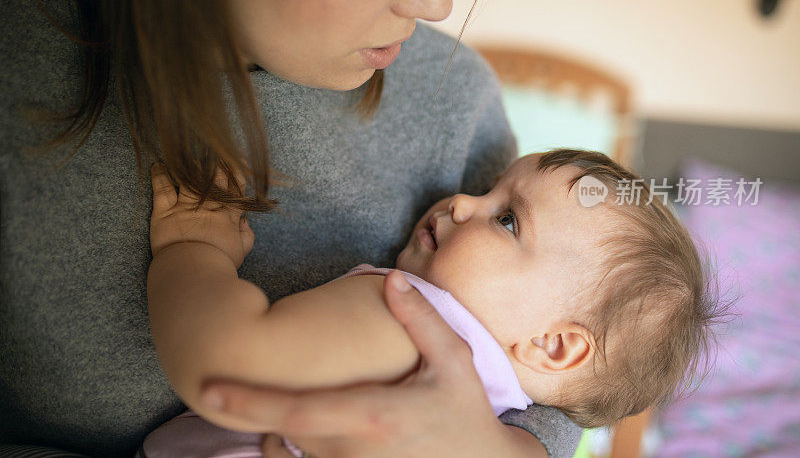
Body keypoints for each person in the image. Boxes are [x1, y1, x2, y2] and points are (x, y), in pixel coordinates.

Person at [0, 0, 585, 456]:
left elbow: (561, 357)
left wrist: (505, 452)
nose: (437, 2)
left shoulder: (455, 95)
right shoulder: (18, 71)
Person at [139, 149, 719, 457]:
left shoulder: (408, 318)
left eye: (508, 219)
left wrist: (192, 247)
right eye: (492, 187)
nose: (464, 202)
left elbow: (225, 368)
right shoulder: (490, 418)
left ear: (554, 344)